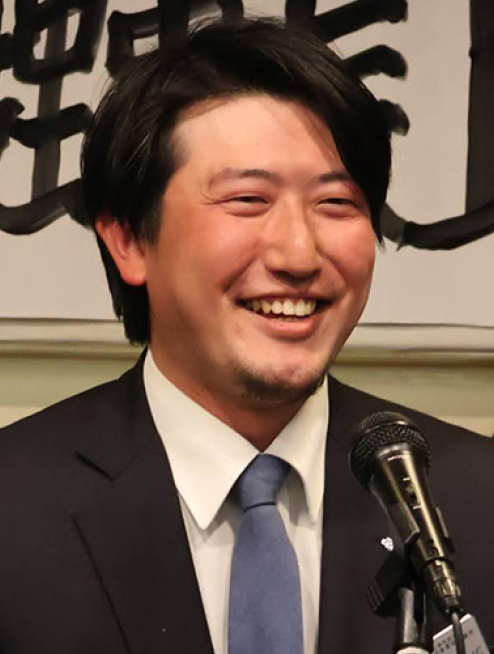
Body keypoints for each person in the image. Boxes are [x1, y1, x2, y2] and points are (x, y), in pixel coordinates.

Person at [0, 17, 493, 654]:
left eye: (336, 204)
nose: (299, 253)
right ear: (128, 239)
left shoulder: (477, 497)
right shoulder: (15, 504)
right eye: (248, 201)